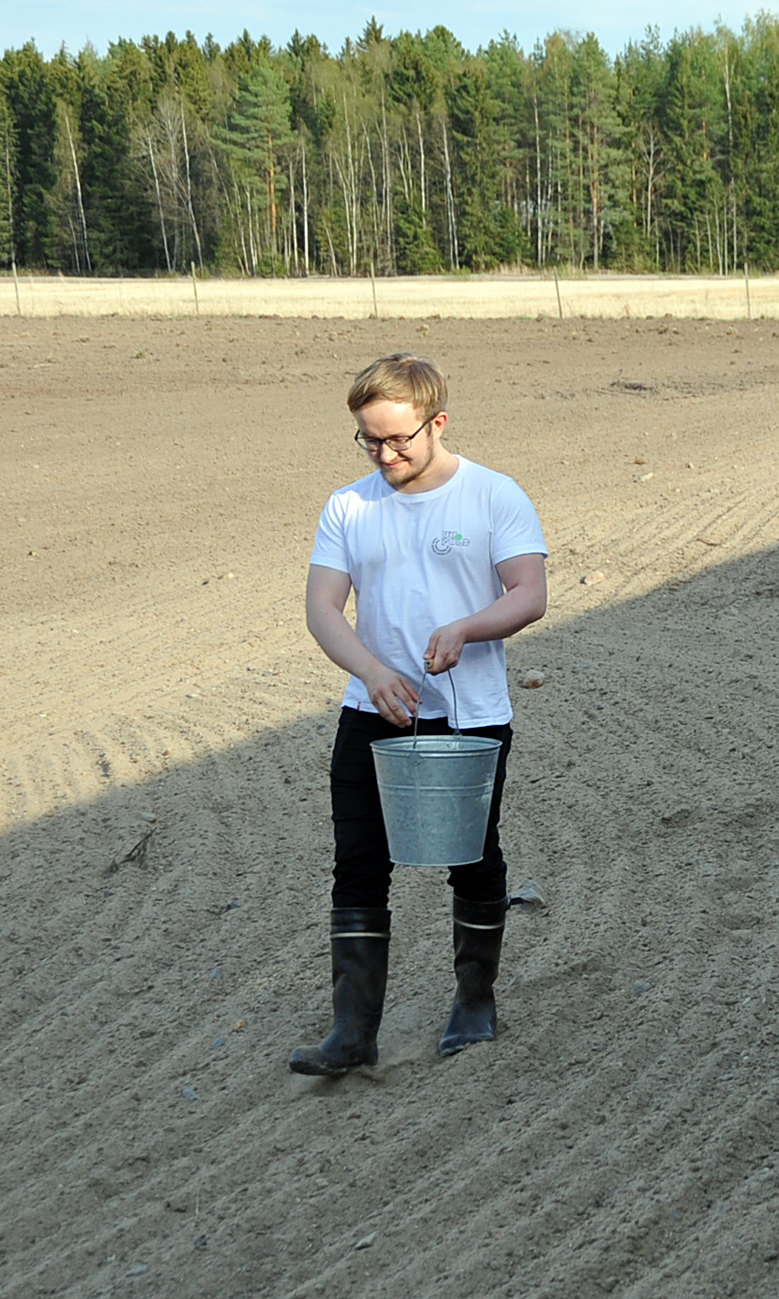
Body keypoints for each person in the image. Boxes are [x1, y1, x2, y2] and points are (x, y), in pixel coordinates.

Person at [288, 353, 549, 1076]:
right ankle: (352, 1031)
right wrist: (370, 672)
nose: (385, 454)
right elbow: (321, 606)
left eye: (398, 439)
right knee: (359, 864)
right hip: (372, 712)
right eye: (369, 440)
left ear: (437, 423)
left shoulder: (493, 496)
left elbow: (529, 592)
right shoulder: (349, 506)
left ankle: (473, 1002)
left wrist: (468, 628)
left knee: (472, 856)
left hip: (470, 716)